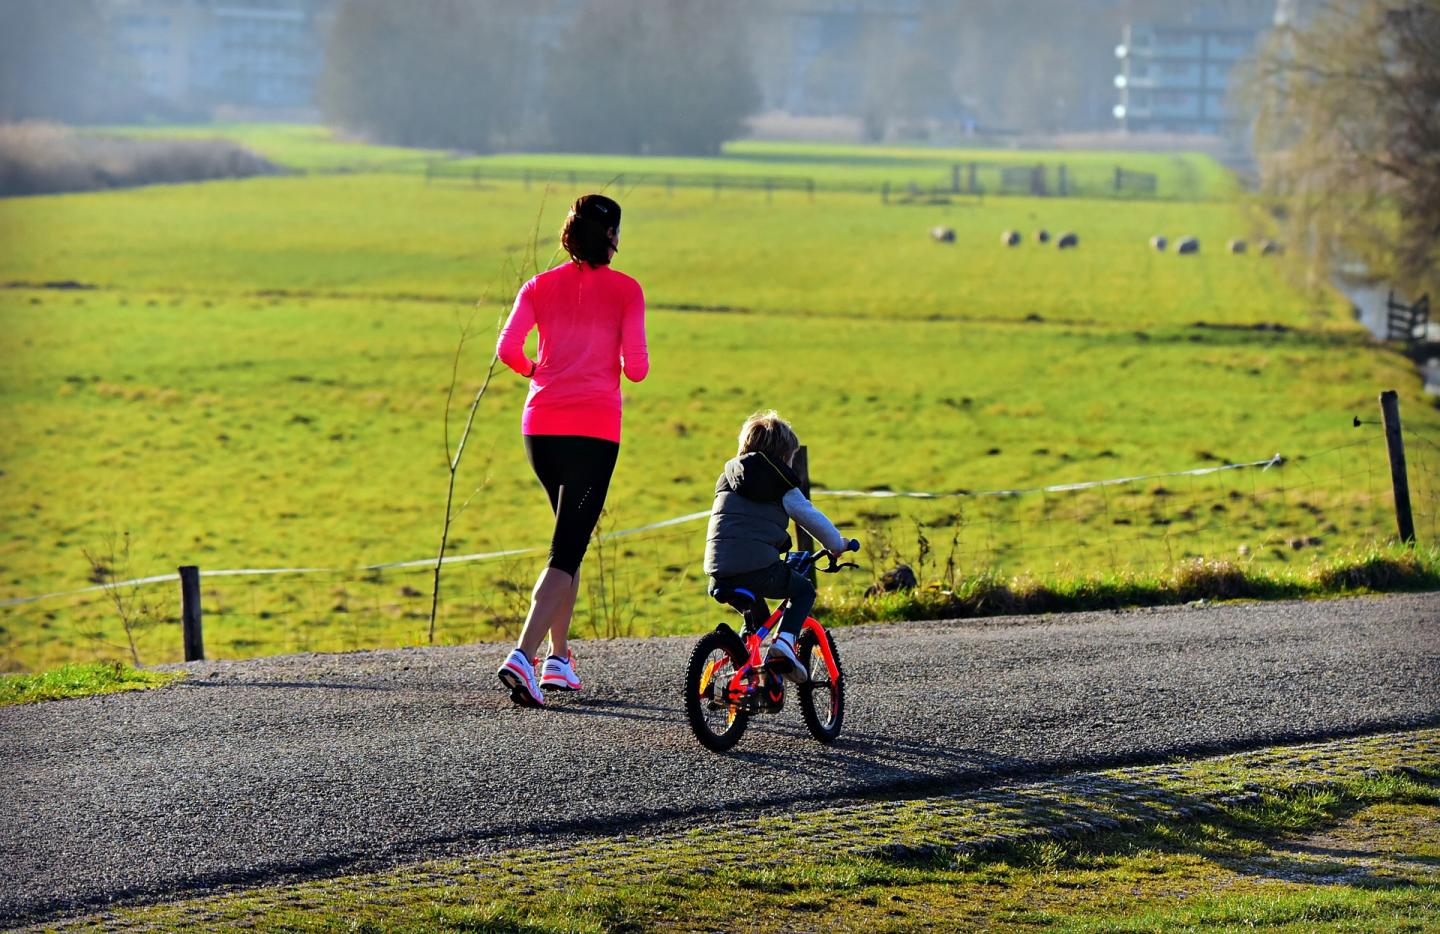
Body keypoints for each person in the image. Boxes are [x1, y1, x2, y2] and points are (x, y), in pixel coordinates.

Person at [494, 193, 647, 708]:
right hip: (594, 431)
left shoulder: (538, 285)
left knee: (569, 540)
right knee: (566, 550)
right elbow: (637, 368)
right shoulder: (627, 291)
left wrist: (537, 372)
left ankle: (558, 660)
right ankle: (523, 655)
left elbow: (507, 349)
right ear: (611, 237)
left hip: (540, 429)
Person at [703, 411, 853, 681]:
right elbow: (811, 518)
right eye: (791, 458)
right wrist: (836, 544)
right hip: (757, 569)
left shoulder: (727, 478)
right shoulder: (780, 482)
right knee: (804, 590)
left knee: (758, 622)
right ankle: (784, 644)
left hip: (718, 573)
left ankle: (744, 672)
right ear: (783, 456)